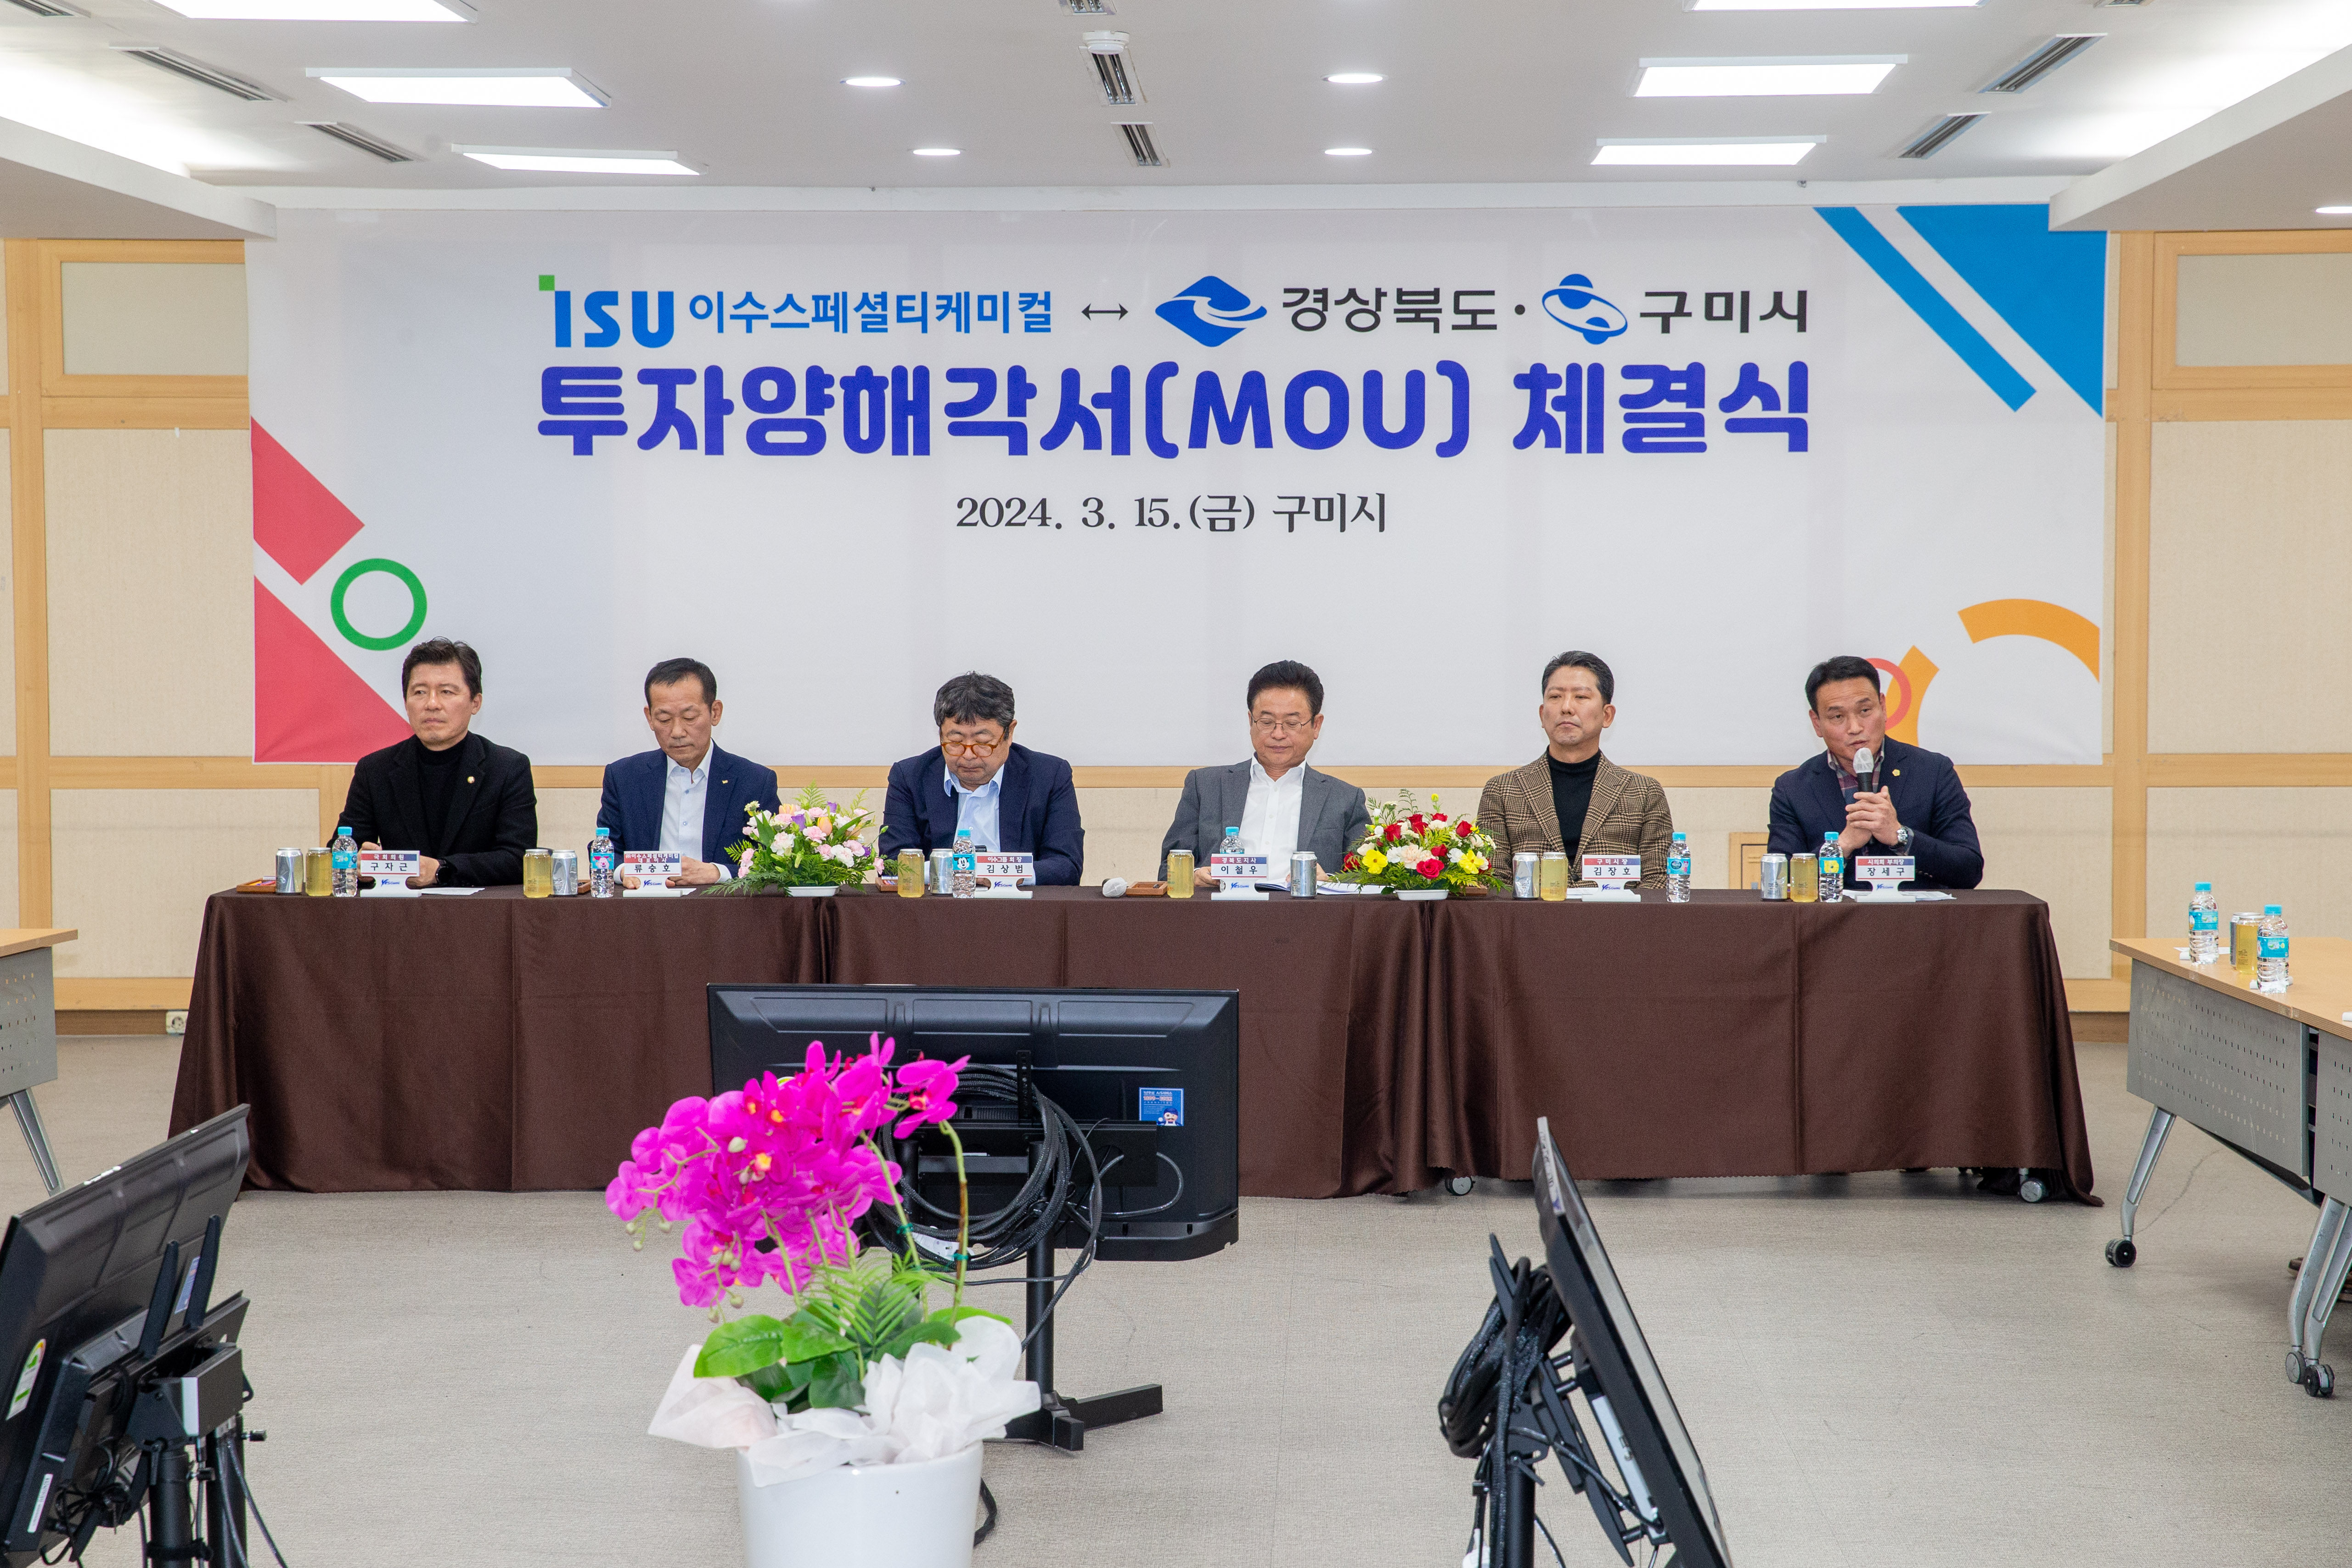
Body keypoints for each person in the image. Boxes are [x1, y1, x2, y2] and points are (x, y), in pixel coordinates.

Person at [1767, 655, 1983, 889]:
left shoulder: (1933, 772)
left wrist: (1900, 836)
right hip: (1838, 912)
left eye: (1865, 710)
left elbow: (1969, 870)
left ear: (1883, 706)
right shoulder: (1793, 789)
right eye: (1838, 716)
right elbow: (1781, 881)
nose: (1855, 728)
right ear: (1817, 723)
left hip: (1915, 912)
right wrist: (1842, 846)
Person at [339, 638, 537, 887]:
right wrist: (358, 864)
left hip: (481, 909)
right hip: (398, 910)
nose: (432, 704)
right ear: (406, 703)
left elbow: (519, 859)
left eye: (447, 692)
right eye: (420, 692)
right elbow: (341, 851)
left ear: (475, 703)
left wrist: (441, 870)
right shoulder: (375, 770)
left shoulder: (507, 768)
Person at [1159, 660, 1371, 888]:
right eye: (1267, 722)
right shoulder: (1205, 786)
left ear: (1316, 725)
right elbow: (1167, 871)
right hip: (1222, 908)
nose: (1278, 734)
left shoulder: (1345, 799)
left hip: (1302, 910)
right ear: (1251, 721)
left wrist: (1330, 881)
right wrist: (1193, 877)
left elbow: (1369, 880)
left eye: (1292, 723)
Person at [1475, 651, 1674, 888]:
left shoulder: (1644, 793)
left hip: (1613, 913)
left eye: (1580, 697)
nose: (1567, 708)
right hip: (1534, 912)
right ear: (1542, 715)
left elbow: (1658, 881)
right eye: (1556, 697)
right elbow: (1493, 882)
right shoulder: (1503, 791)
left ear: (1607, 715)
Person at [880, 672, 1083, 885]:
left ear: (1010, 733)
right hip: (939, 902)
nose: (969, 755)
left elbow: (1067, 865)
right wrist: (964, 871)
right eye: (955, 742)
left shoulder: (1049, 776)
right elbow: (892, 864)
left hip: (1017, 902)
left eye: (983, 743)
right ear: (941, 734)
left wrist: (999, 875)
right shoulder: (910, 777)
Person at [596, 657, 782, 886]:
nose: (677, 732)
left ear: (715, 712)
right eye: (664, 719)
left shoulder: (754, 781)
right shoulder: (625, 778)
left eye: (689, 717)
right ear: (650, 718)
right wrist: (625, 872)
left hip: (721, 906)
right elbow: (605, 850)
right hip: (647, 904)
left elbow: (775, 862)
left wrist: (718, 873)